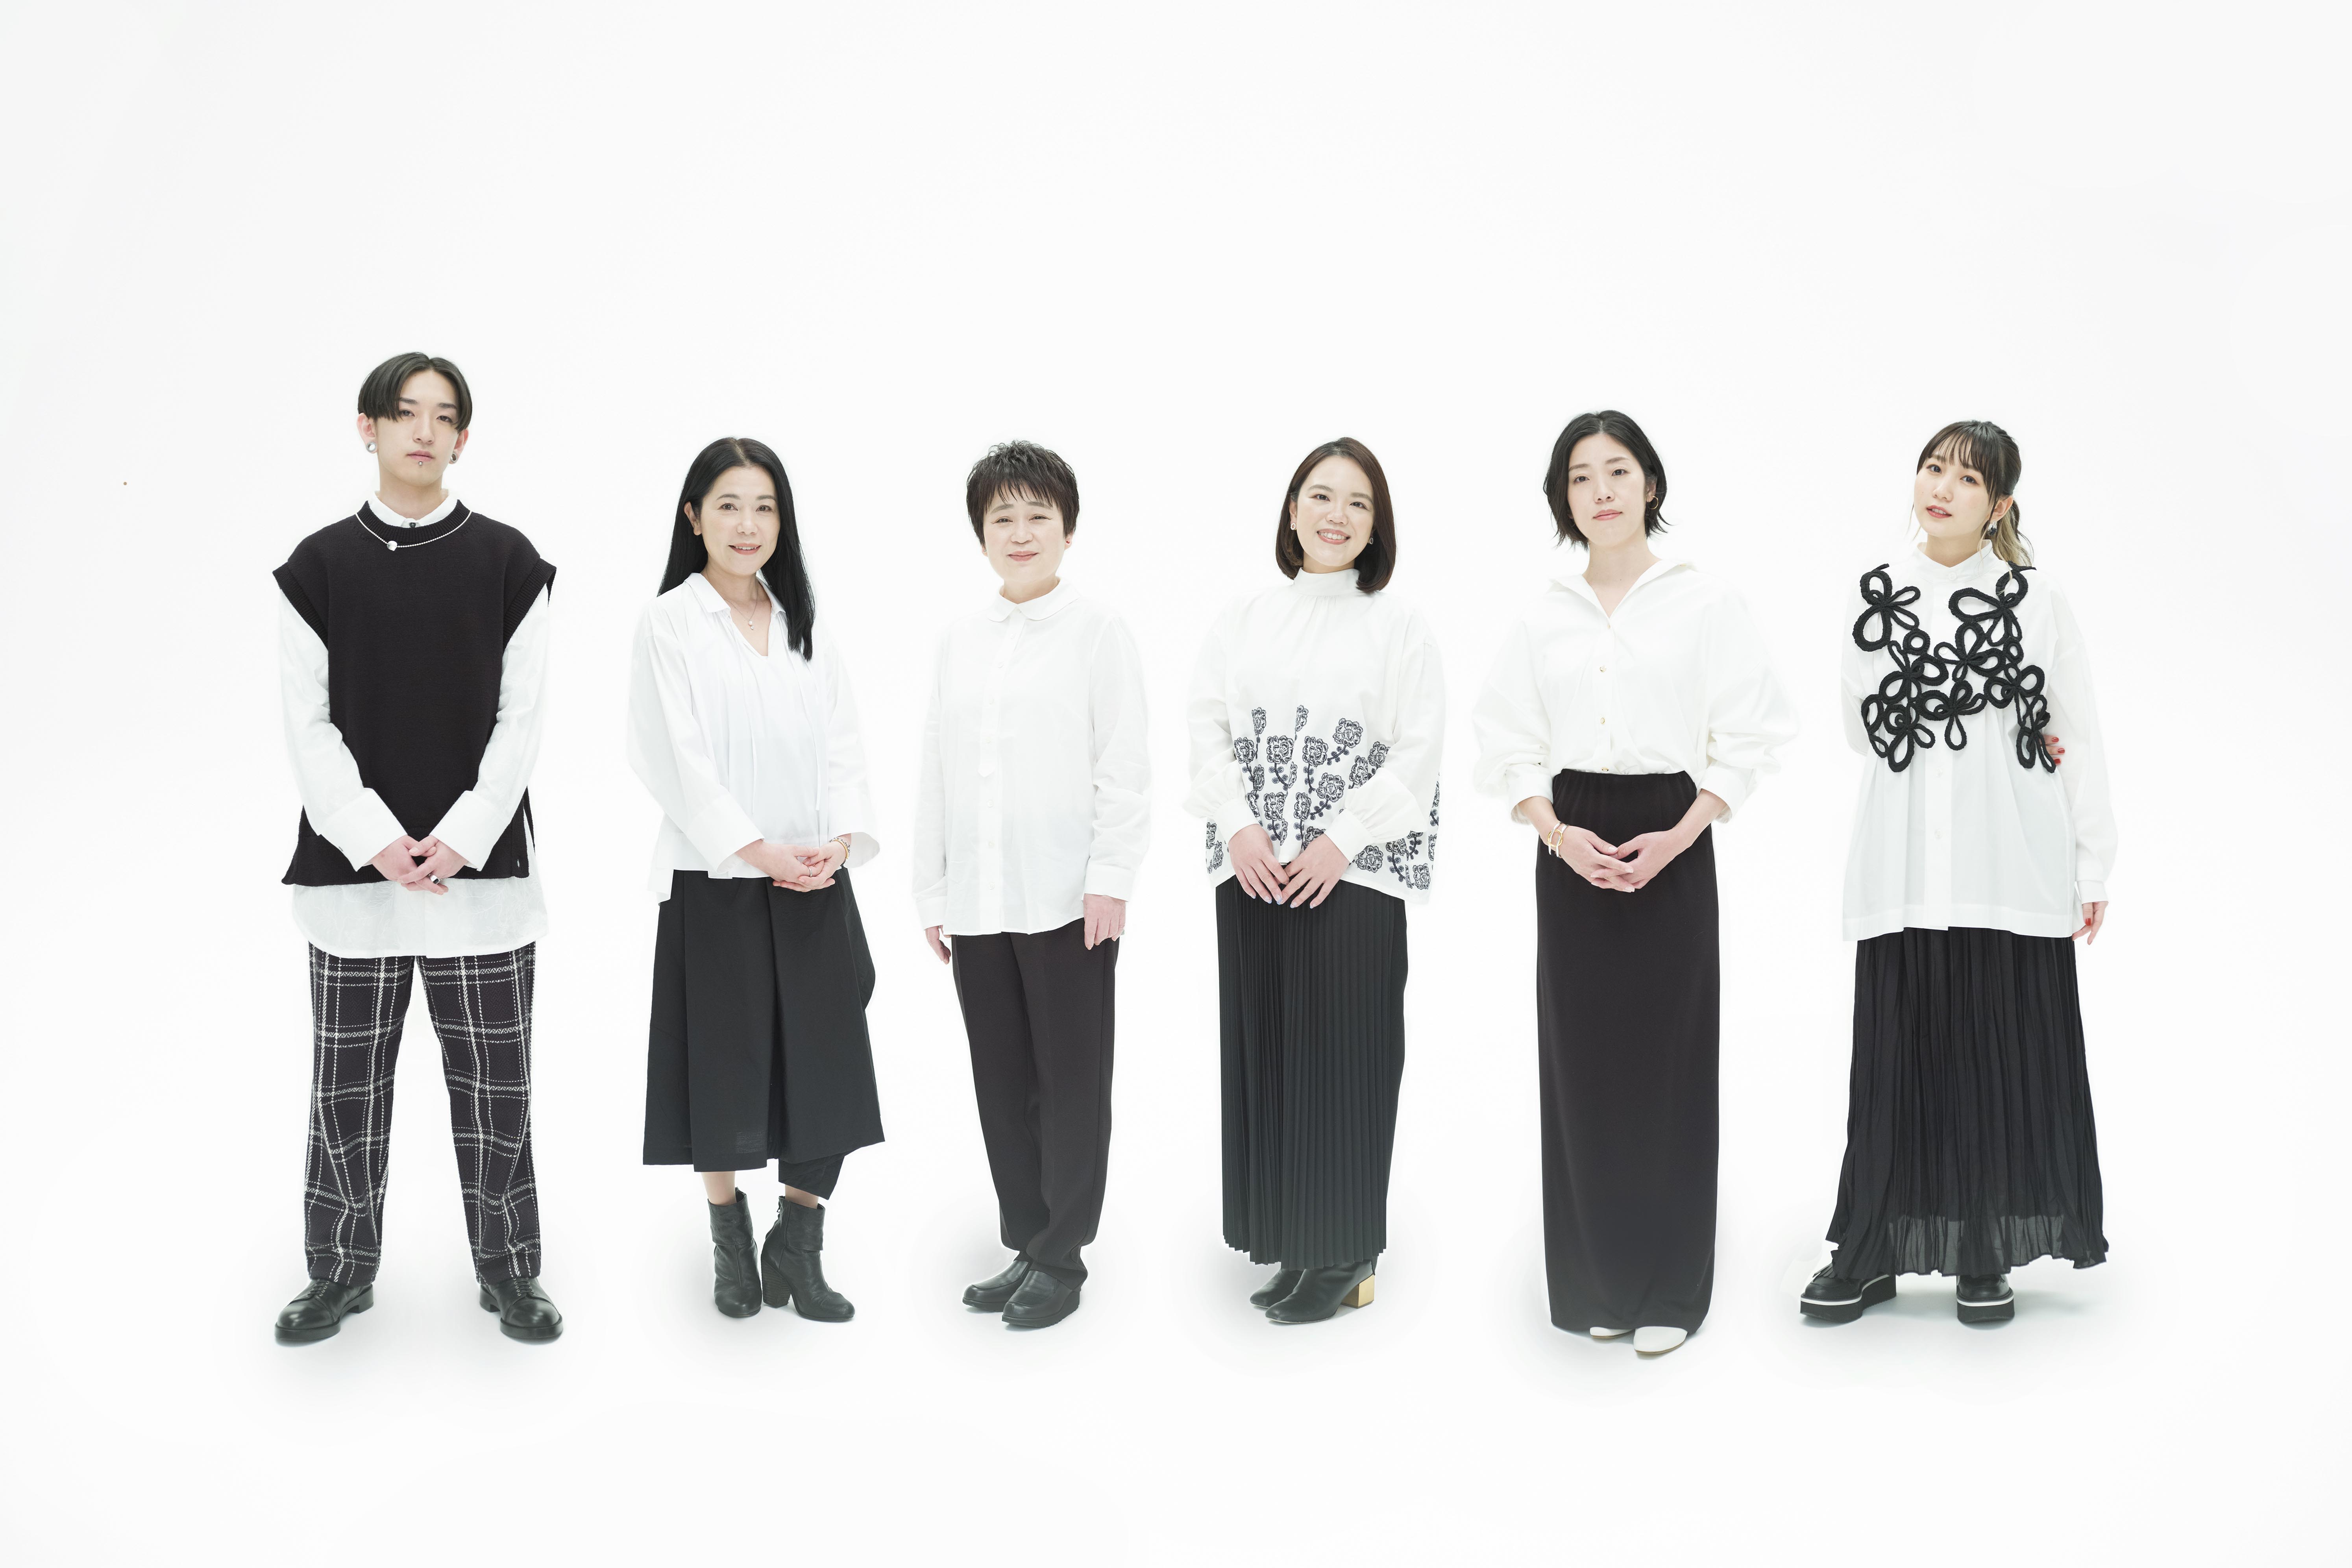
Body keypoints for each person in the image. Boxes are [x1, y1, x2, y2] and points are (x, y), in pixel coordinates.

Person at [1473, 410, 1795, 1356]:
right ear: (1562, 500)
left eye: (1618, 471)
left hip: (1672, 830)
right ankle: (1595, 1286)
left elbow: (1751, 734)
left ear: (1650, 484)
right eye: (1580, 477)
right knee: (1582, 1067)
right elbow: (1507, 742)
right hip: (1571, 837)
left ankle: (1670, 1290)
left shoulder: (1705, 603)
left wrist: (1683, 834)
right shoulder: (1542, 615)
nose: (1601, 491)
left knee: (1670, 1063)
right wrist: (1555, 833)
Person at [271, 352, 562, 1344]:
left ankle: (511, 1271)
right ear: (369, 427)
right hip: (353, 882)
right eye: (405, 413)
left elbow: (522, 722)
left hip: (483, 879)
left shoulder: (509, 563)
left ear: (463, 438)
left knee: (497, 1091)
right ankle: (338, 1272)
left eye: (444, 417)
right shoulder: (317, 567)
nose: (424, 431)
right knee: (346, 1092)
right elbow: (308, 726)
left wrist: (463, 836)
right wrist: (376, 840)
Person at [1799, 420, 2113, 1327]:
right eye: (1933, 468)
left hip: (2008, 863)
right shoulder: (1879, 592)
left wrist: (2094, 860)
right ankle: (1870, 1251)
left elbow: (2075, 731)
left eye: (1967, 479)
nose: (1941, 488)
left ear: (2000, 505)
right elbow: (1861, 729)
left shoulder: (2035, 598)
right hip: (1904, 866)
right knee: (1896, 1061)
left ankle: (1985, 1249)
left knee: (1995, 1056)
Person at [1186, 436, 1444, 1324]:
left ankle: (1345, 1252)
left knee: (1345, 1059)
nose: (1337, 516)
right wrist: (1239, 824)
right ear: (1292, 510)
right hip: (1255, 869)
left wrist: (1343, 840)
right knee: (1269, 1054)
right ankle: (1296, 1243)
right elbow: (1207, 727)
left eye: (1358, 504)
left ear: (1377, 528)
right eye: (1322, 496)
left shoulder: (1399, 626)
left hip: (1354, 877)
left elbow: (1419, 751)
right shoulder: (1243, 619)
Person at [626, 437, 884, 1322]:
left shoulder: (801, 620)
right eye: (729, 505)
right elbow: (673, 758)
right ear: (693, 517)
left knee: (831, 1056)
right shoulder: (670, 623)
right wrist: (755, 848)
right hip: (721, 880)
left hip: (814, 875)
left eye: (765, 507)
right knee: (723, 1061)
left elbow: (844, 743)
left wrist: (840, 842)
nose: (748, 525)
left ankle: (797, 1244)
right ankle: (731, 1241)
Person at [915, 441, 1150, 1329]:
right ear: (981, 534)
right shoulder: (959, 640)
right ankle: (1026, 1239)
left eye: (1038, 516)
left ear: (1068, 529)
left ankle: (1063, 1256)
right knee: (1003, 1081)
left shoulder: (1098, 632)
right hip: (978, 902)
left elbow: (1124, 767)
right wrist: (932, 892)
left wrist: (1111, 880)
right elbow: (936, 768)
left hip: (1066, 901)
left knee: (1072, 1083)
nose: (1020, 533)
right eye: (1002, 518)